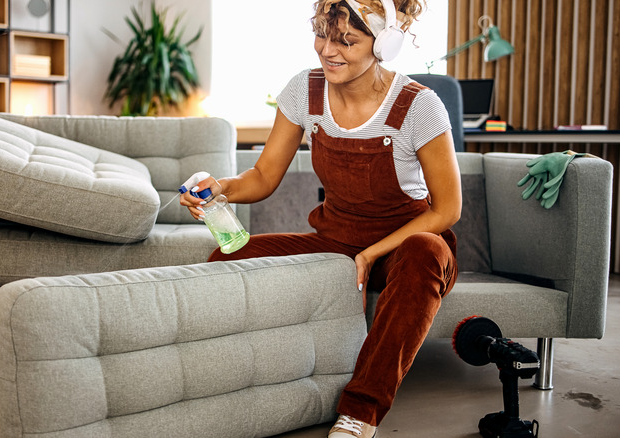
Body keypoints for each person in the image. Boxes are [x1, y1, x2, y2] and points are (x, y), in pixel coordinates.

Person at [180, 1, 461, 436]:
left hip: (407, 245)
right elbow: (262, 176)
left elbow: (447, 210)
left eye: (346, 40)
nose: (328, 50)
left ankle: (360, 413)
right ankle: (238, 384)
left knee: (426, 251)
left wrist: (372, 253)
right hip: (336, 239)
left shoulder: (419, 107)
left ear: (382, 44)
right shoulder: (304, 92)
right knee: (225, 258)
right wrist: (222, 188)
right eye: (322, 35)